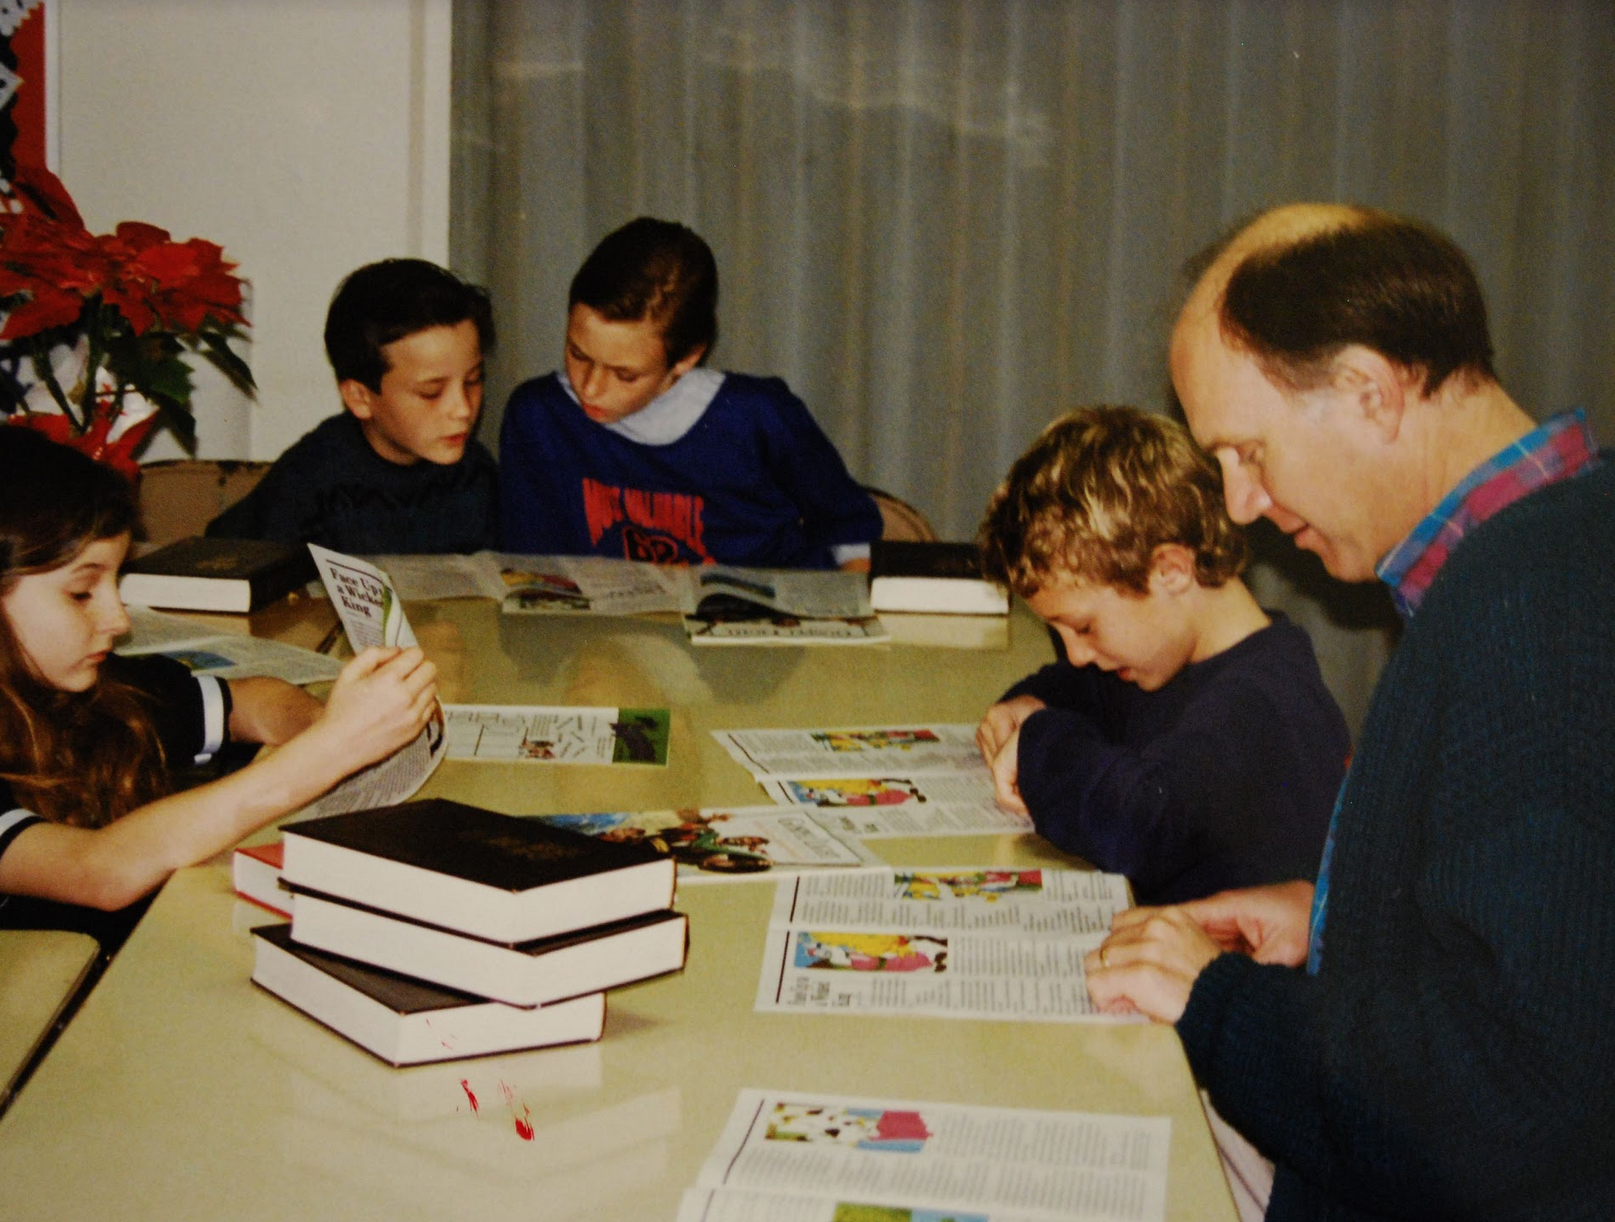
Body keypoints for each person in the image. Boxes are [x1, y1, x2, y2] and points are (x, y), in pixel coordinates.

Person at [1086, 205, 1615, 1220]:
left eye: (1246, 451)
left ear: (1369, 391)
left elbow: (1515, 1100)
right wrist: (1340, 921)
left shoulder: (1534, 607)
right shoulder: (1550, 553)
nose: (1239, 505)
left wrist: (1221, 1005)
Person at [0, 424, 439, 949]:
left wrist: (327, 732)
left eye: (116, 585)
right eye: (82, 592)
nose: (116, 619)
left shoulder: (65, 689)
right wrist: (326, 752)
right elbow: (99, 871)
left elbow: (257, 698)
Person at [974, 405, 1348, 905]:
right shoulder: (1162, 660)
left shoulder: (1267, 705)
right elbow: (1084, 688)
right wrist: (1031, 702)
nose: (1078, 654)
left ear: (1170, 570)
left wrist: (1040, 744)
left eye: (1085, 627)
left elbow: (1144, 824)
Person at [497, 217, 881, 570]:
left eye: (625, 375)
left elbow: (849, 530)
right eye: (578, 354)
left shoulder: (757, 416)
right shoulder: (539, 416)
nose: (590, 387)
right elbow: (532, 564)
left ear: (686, 358)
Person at [208, 258, 498, 553]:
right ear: (360, 398)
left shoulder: (477, 475)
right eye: (431, 392)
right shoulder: (310, 482)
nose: (462, 409)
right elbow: (228, 564)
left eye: (473, 380)